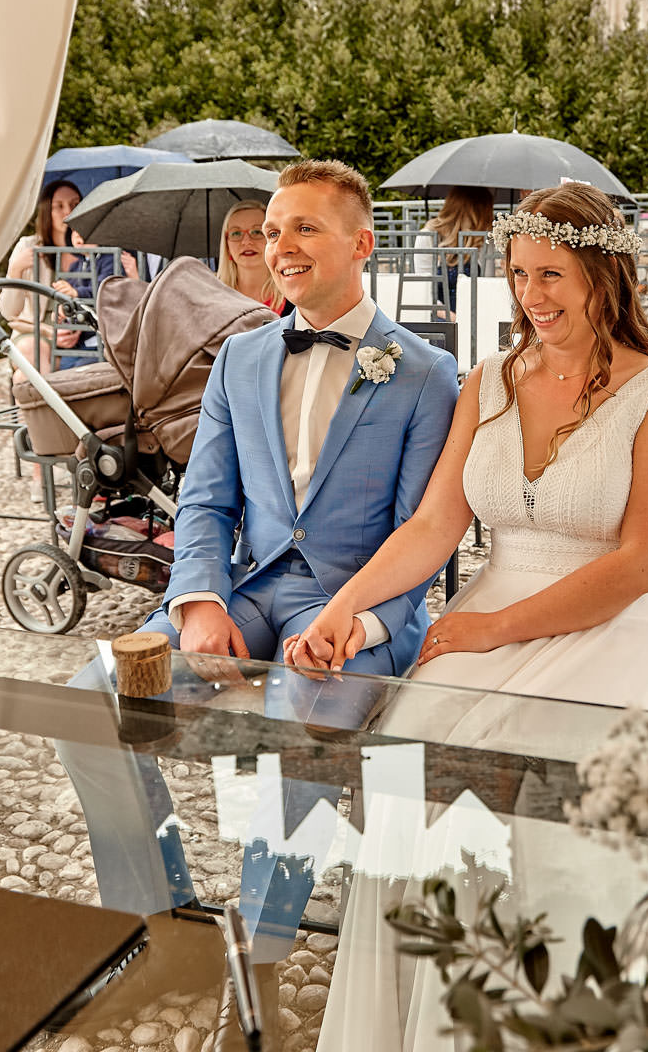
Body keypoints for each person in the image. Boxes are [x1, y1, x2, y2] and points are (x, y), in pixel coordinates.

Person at [304, 183, 648, 1051]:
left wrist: (493, 627)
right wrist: (343, 606)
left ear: (602, 274)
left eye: (552, 274)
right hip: (492, 607)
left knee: (534, 813)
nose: (532, 295)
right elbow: (434, 525)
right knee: (409, 774)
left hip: (616, 628)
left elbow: (642, 563)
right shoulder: (488, 380)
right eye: (519, 274)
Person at [56, 159, 460, 957]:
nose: (280, 246)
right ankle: (156, 921)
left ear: (362, 243)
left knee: (295, 731)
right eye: (273, 232)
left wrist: (358, 627)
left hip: (352, 611)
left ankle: (259, 957)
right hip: (244, 592)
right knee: (88, 705)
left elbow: (420, 535)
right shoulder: (239, 360)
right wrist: (200, 602)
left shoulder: (424, 372)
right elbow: (206, 500)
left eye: (305, 227)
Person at [0, 179, 138, 372]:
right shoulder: (29, 247)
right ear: (46, 211)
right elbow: (9, 312)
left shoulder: (95, 252)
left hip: (83, 335)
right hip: (38, 334)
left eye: (75, 204)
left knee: (25, 379)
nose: (69, 212)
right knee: (32, 354)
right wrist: (16, 270)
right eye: (59, 206)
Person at [422, 185, 496, 317]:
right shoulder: (428, 236)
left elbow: (486, 285)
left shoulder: (484, 239)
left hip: (474, 316)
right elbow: (423, 289)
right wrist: (451, 317)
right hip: (436, 317)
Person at [215, 198, 286, 314]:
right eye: (236, 233)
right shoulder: (212, 299)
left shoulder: (295, 296)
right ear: (227, 246)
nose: (246, 242)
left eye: (257, 232)